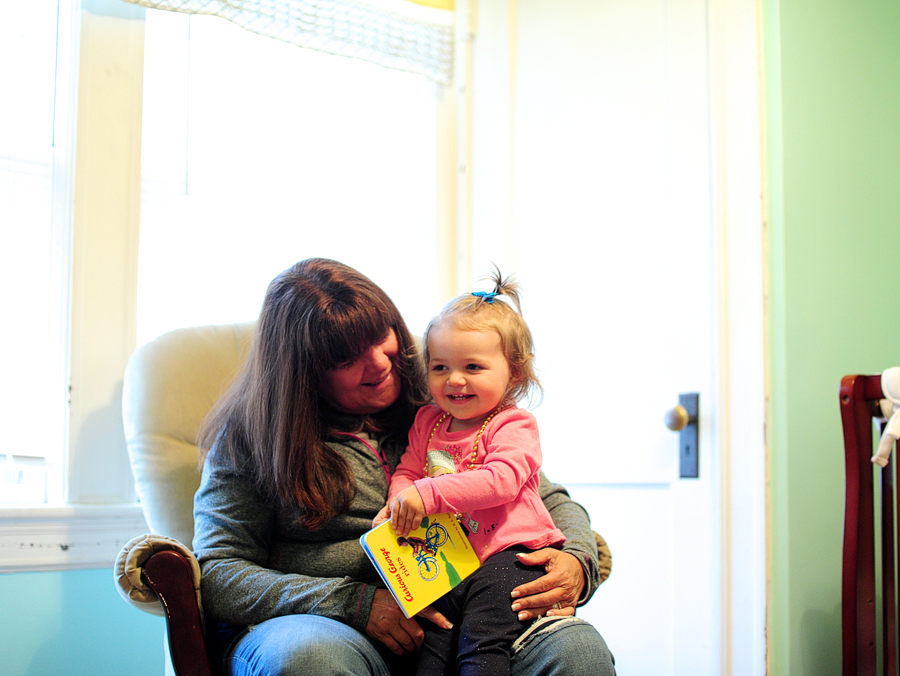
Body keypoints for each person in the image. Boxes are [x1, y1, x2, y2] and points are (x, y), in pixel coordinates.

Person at [193, 258, 616, 676]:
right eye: (346, 359)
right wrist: (353, 604)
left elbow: (546, 497)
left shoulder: (446, 401)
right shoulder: (251, 437)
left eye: (383, 336)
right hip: (326, 626)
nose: (379, 362)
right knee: (313, 658)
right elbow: (220, 572)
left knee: (577, 650)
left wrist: (577, 562)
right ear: (304, 372)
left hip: (463, 610)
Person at [375, 270, 576, 676]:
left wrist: (426, 496)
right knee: (431, 651)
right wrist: (399, 500)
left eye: (472, 366)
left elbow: (500, 480)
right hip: (448, 555)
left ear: (514, 373)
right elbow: (409, 470)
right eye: (440, 367)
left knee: (481, 647)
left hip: (509, 555)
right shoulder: (427, 420)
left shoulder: (513, 424)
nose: (455, 380)